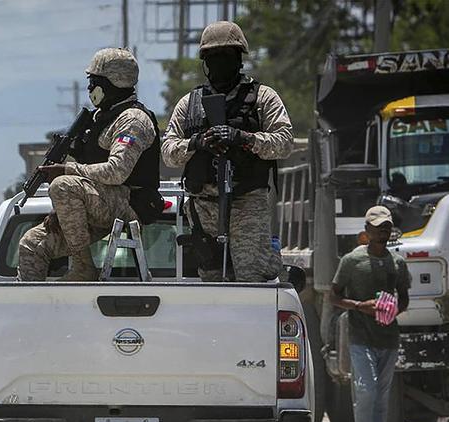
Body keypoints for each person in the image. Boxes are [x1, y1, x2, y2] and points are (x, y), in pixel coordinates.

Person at [161, 20, 292, 282]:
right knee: (211, 277)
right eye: (213, 57)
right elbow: (168, 151)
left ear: (239, 59)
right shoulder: (190, 103)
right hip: (204, 205)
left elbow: (284, 142)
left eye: (226, 56)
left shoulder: (262, 97)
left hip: (247, 202)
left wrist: (243, 138)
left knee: (251, 276)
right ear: (205, 62)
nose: (219, 63)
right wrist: (197, 143)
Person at [17, 48, 163, 281]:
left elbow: (116, 171)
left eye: (94, 82)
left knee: (63, 185)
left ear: (113, 83)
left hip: (129, 203)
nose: (89, 88)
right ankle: (31, 311)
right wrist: (63, 210)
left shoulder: (133, 120)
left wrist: (66, 170)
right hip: (101, 204)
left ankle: (83, 267)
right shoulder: (100, 119)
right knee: (31, 244)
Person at [330, 206, 410, 422]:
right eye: (378, 227)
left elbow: (404, 299)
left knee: (381, 400)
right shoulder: (352, 261)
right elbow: (334, 297)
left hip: (388, 339)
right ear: (367, 231)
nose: (383, 232)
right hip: (360, 337)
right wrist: (359, 305)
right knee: (367, 393)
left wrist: (391, 310)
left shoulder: (397, 263)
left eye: (386, 227)